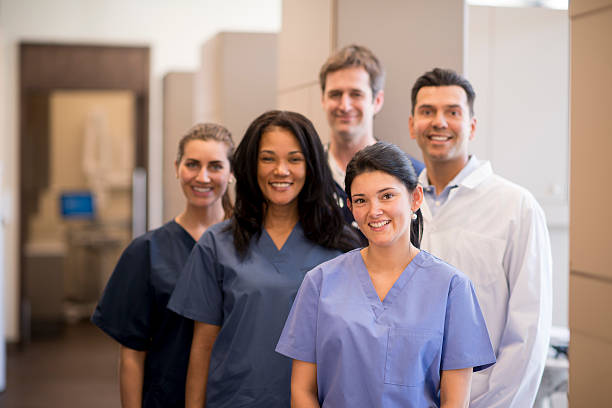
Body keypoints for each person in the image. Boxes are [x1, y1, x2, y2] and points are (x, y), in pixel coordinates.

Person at [276, 141, 495, 407]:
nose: (374, 210)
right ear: (351, 207)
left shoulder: (452, 288)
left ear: (415, 198)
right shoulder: (320, 282)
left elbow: (455, 402)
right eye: (361, 200)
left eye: (387, 196)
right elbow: (302, 392)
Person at [167, 110, 361, 407]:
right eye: (268, 158)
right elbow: (202, 347)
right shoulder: (218, 244)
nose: (281, 170)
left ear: (311, 167)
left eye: (294, 159)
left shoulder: (342, 247)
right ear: (250, 165)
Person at [409, 67, 552, 407]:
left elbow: (528, 334)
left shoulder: (516, 207)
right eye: (427, 112)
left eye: (453, 112)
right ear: (412, 124)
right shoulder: (398, 203)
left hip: (483, 399)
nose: (439, 122)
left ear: (471, 125)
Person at [91, 123, 235, 407]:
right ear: (177, 167)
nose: (202, 176)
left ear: (231, 173)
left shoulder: (249, 246)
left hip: (236, 396)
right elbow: (132, 354)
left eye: (215, 166)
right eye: (192, 164)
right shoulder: (146, 251)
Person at [319, 44, 424, 229]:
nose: (344, 105)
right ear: (323, 100)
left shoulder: (413, 175)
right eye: (335, 94)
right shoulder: (307, 173)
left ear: (377, 101)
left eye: (356, 94)